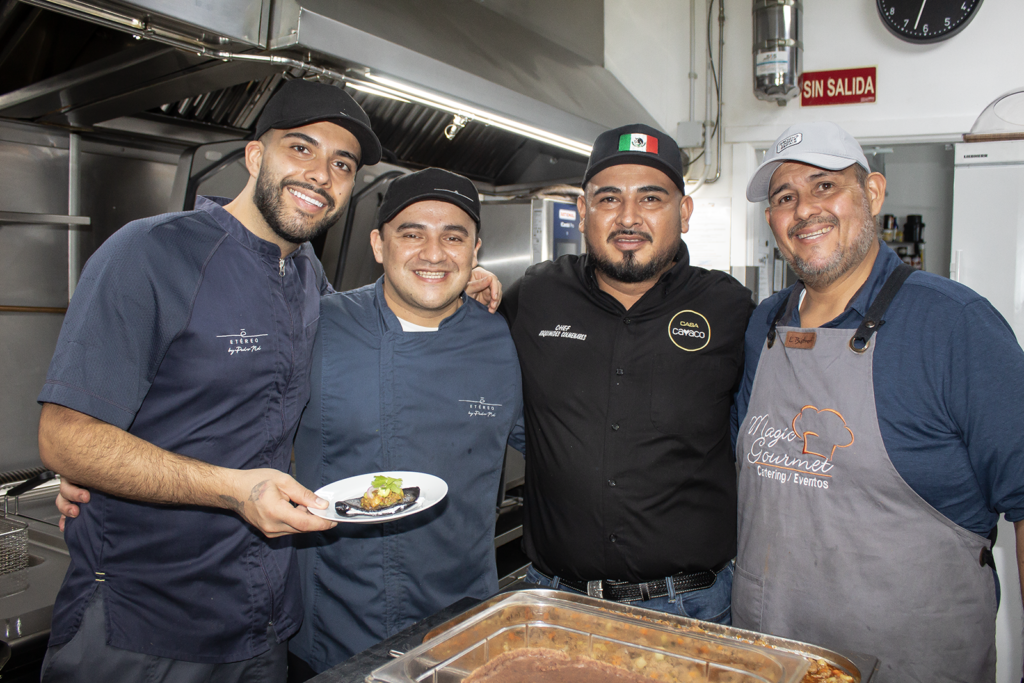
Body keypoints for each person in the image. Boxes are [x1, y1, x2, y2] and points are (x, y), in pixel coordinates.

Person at [38, 80, 502, 682]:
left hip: (264, 624)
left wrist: (452, 275)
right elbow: (64, 437)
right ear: (256, 156)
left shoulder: (307, 278)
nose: (320, 175)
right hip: (143, 624)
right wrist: (230, 488)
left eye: (342, 164)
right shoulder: (152, 253)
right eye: (301, 149)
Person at [732, 121, 1024, 683]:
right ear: (771, 220)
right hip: (770, 658)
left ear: (872, 194)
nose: (804, 210)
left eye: (824, 187)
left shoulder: (953, 325)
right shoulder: (761, 326)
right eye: (784, 197)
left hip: (912, 663)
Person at [500, 124, 754, 622]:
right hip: (554, 602)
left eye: (651, 198)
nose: (629, 218)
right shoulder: (534, 296)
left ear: (684, 212)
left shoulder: (730, 309)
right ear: (582, 209)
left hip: (691, 608)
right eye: (609, 198)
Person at [286, 168, 525, 677]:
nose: (434, 254)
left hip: (460, 627)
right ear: (378, 244)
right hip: (333, 625)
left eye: (453, 237)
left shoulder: (503, 341)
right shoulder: (317, 325)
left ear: (476, 250)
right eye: (412, 234)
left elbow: (562, 445)